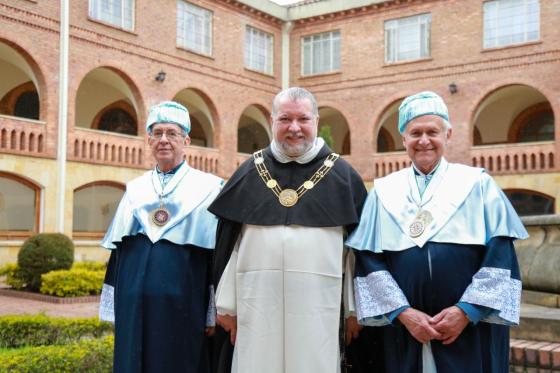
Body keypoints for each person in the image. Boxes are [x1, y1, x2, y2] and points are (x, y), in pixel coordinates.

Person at [346, 91, 528, 373]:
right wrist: (403, 314)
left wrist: (467, 311)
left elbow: (501, 255)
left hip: (469, 329)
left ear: (448, 134)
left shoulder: (478, 185)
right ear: (404, 139)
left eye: (433, 131)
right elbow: (369, 260)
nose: (424, 141)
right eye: (415, 133)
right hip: (405, 331)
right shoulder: (384, 191)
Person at [208, 87, 373, 373]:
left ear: (316, 122)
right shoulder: (250, 170)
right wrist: (226, 306)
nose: (294, 128)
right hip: (256, 305)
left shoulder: (343, 176)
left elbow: (355, 253)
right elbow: (230, 246)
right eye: (285, 119)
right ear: (272, 121)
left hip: (320, 306)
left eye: (303, 119)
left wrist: (353, 310)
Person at [99, 101, 223, 373]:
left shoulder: (209, 188)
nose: (163, 140)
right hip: (134, 303)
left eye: (172, 133)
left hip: (184, 305)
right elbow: (118, 251)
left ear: (186, 140)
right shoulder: (135, 189)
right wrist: (113, 301)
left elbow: (217, 257)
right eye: (157, 133)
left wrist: (214, 310)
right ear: (149, 140)